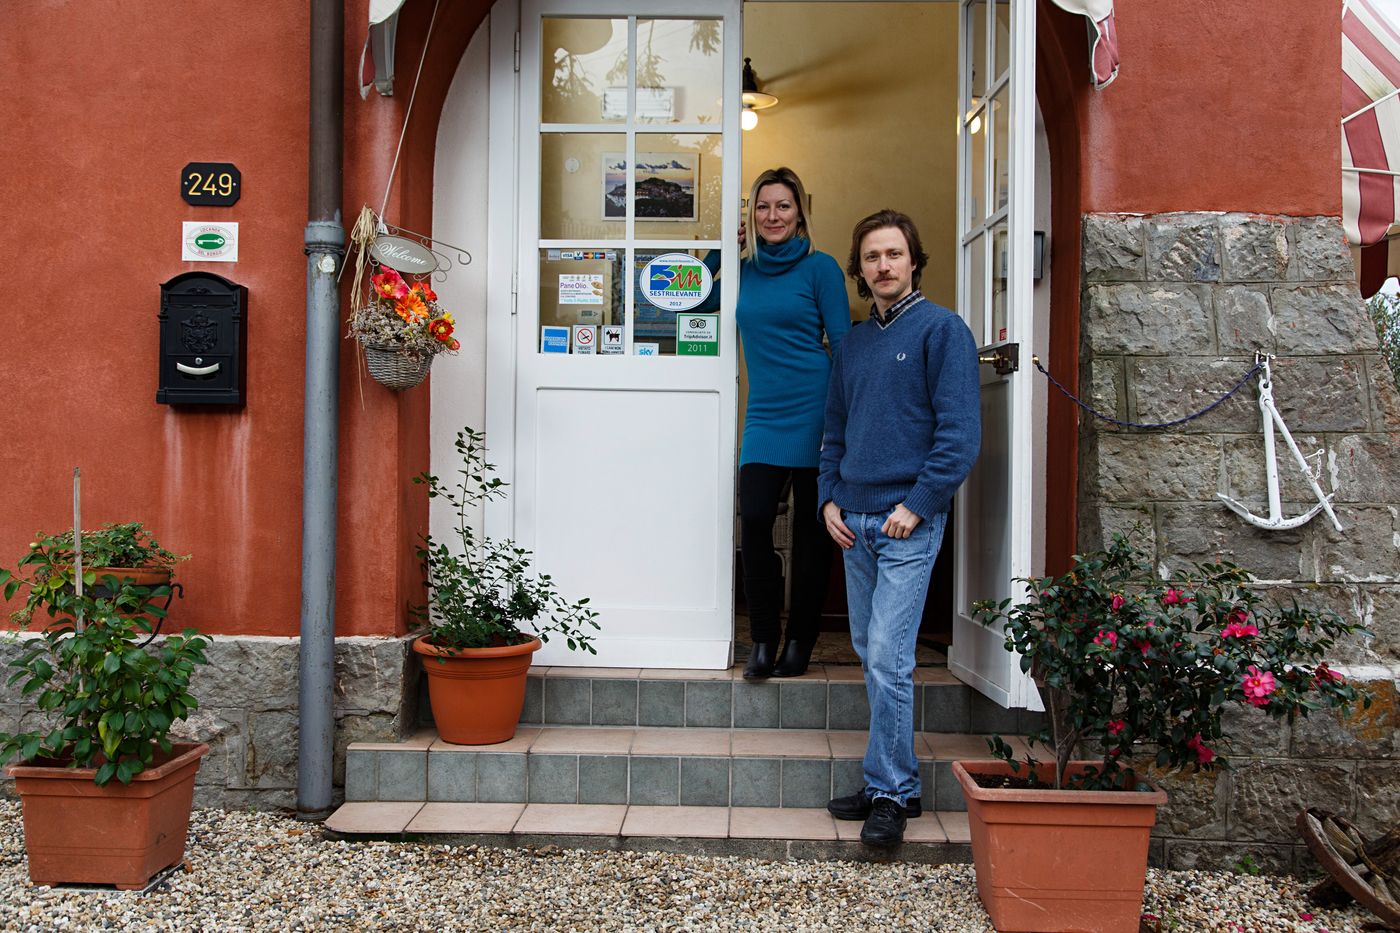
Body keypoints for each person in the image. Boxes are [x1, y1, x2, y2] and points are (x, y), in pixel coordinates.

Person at [818, 209, 981, 847]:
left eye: (893, 254)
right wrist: (828, 499)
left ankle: (889, 792)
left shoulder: (944, 331)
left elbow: (959, 435)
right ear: (859, 270)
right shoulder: (854, 343)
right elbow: (835, 429)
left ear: (914, 260)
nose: (883, 266)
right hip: (853, 522)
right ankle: (895, 781)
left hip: (906, 521)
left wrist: (919, 504)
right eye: (871, 257)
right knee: (871, 653)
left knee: (888, 655)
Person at [725, 167, 852, 681]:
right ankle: (762, 639)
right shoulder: (741, 270)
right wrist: (721, 250)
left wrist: (841, 425)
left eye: (783, 206)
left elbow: (843, 348)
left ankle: (800, 642)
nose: (772, 215)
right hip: (763, 415)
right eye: (762, 206)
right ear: (750, 214)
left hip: (817, 410)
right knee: (755, 519)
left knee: (812, 533)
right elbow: (690, 299)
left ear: (800, 213)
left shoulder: (821, 268)